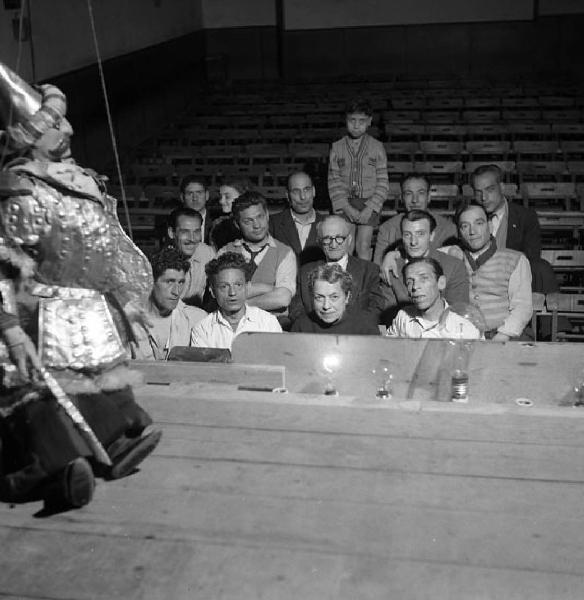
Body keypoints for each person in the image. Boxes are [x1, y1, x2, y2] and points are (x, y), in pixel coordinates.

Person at [0, 61, 160, 510]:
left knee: (98, 381)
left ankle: (114, 441)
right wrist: (11, 329)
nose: (67, 128)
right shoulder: (21, 188)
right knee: (38, 395)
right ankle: (54, 471)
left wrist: (125, 302)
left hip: (84, 309)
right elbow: (3, 266)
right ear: (31, 136)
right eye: (54, 122)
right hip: (34, 313)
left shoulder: (80, 182)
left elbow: (102, 248)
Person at [450, 203, 533, 341]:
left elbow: (522, 306)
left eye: (479, 223)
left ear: (490, 226)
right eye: (465, 226)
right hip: (465, 337)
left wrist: (503, 335)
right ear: (459, 232)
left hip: (506, 335)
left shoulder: (515, 259)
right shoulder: (452, 256)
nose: (472, 231)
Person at [471, 164, 558, 294]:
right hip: (479, 275)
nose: (484, 198)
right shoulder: (468, 216)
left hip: (514, 276)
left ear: (502, 187)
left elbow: (532, 256)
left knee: (541, 268)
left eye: (490, 190)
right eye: (478, 192)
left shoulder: (525, 216)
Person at [290, 214, 385, 323]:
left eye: (339, 238)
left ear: (349, 240)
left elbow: (376, 310)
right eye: (327, 239)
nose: (334, 245)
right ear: (320, 242)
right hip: (315, 335)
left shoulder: (369, 270)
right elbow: (296, 311)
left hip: (355, 336)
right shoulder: (305, 271)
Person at [378, 210, 469, 323]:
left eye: (420, 234)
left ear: (431, 235)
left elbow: (458, 313)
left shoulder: (453, 266)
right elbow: (388, 315)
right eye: (407, 235)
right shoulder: (392, 267)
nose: (413, 242)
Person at [328, 98, 389, 260]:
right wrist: (346, 207)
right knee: (346, 246)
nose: (356, 125)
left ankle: (364, 282)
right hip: (345, 204)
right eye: (352, 120)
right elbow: (334, 182)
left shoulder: (377, 147)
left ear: (369, 121)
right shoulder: (337, 147)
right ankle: (345, 282)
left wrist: (370, 208)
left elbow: (383, 182)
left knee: (363, 246)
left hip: (369, 204)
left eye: (361, 121)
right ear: (345, 120)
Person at [220, 191, 296, 316]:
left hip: (270, 327)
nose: (256, 225)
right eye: (248, 221)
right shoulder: (225, 252)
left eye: (259, 217)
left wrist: (239, 304)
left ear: (267, 215)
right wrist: (266, 288)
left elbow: (282, 298)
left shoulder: (284, 252)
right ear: (237, 224)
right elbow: (220, 296)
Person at [190, 252, 282, 350]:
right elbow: (203, 365)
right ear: (212, 291)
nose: (232, 292)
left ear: (247, 287)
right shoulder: (203, 329)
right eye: (224, 286)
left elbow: (279, 360)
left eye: (238, 285)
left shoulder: (268, 323)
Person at [132, 248, 206, 360]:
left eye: (181, 282)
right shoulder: (128, 322)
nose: (176, 291)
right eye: (169, 282)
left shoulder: (197, 319)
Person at [374, 173, 457, 268]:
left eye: (421, 193)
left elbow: (453, 265)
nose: (415, 200)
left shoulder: (448, 228)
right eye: (408, 193)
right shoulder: (387, 228)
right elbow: (378, 267)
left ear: (429, 196)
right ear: (401, 197)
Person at [387, 257, 481, 339]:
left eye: (424, 278)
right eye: (409, 282)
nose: (415, 286)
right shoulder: (403, 317)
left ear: (441, 283)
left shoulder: (464, 326)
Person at [291, 264, 380, 335]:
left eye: (334, 297)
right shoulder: (301, 327)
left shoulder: (365, 328)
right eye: (319, 298)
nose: (326, 306)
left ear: (347, 297)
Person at [269, 170, 324, 265]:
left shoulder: (328, 223)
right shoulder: (273, 223)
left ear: (314, 191)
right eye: (296, 191)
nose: (302, 197)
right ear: (287, 195)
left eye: (306, 189)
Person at [167, 206, 215, 307]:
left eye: (196, 232)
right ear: (171, 233)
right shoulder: (161, 263)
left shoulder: (207, 253)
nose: (192, 238)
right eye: (185, 232)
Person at [210, 178, 249, 250]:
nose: (221, 201)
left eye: (227, 197)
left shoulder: (256, 225)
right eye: (220, 197)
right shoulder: (218, 225)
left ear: (242, 197)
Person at [178, 175, 212, 243]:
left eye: (199, 193)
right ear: (182, 197)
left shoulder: (217, 221)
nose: (195, 198)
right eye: (190, 193)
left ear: (207, 195)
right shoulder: (175, 221)